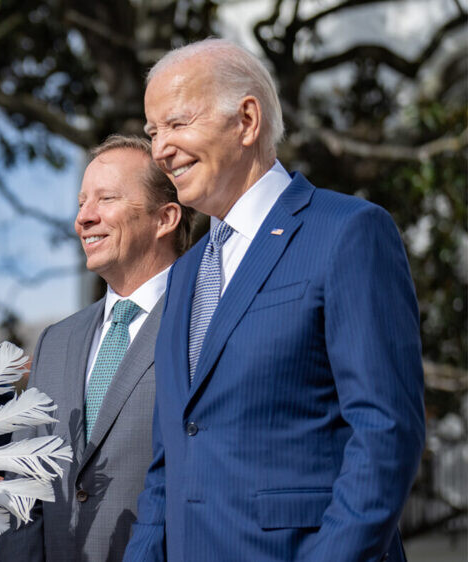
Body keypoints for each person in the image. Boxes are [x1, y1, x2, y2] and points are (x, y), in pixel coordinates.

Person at [124, 38, 425, 561]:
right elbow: (169, 460)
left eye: (176, 124)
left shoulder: (348, 232)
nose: (159, 150)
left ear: (246, 120)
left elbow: (384, 433)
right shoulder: (185, 273)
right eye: (153, 133)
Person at [0, 135, 191, 562]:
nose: (83, 218)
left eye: (106, 199)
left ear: (166, 217)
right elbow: (24, 485)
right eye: (82, 202)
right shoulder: (55, 340)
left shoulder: (202, 322)